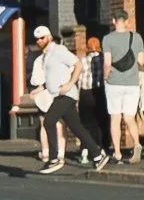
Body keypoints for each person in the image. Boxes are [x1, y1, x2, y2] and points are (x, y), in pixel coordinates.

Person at [28, 25, 107, 173]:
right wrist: (40, 89)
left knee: (49, 121)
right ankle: (97, 155)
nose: (39, 41)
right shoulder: (46, 56)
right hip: (58, 94)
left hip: (66, 95)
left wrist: (70, 83)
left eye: (42, 38)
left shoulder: (58, 50)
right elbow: (53, 78)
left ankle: (54, 159)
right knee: (77, 128)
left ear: (49, 37)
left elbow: (77, 64)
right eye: (37, 39)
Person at [102, 11, 144, 163]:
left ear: (114, 21)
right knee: (129, 117)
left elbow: (107, 63)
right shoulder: (137, 37)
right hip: (132, 83)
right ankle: (137, 143)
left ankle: (117, 152)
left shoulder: (107, 39)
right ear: (127, 21)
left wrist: (105, 77)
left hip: (114, 83)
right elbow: (141, 61)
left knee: (115, 118)